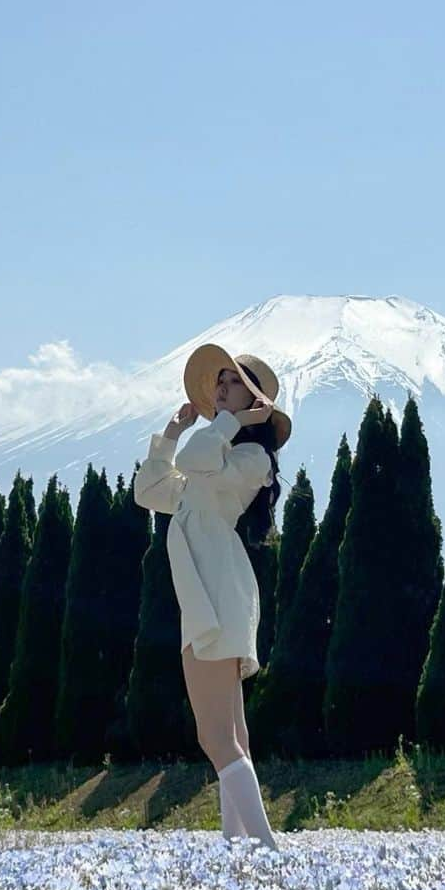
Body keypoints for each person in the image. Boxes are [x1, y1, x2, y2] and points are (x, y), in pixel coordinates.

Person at [134, 346, 290, 850]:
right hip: (207, 594)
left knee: (216, 738)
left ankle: (266, 849)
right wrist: (173, 432)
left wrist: (227, 424)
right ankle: (237, 849)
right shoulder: (213, 460)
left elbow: (197, 460)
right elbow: (150, 490)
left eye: (234, 382)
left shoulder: (251, 458)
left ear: (256, 402)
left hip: (218, 594)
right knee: (231, 736)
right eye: (219, 381)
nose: (220, 387)